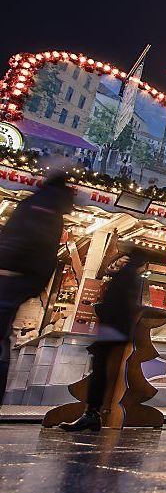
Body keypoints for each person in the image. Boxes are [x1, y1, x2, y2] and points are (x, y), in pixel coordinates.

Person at [0, 171, 73, 405]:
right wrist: (35, 284)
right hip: (24, 281)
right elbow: (45, 255)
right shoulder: (56, 212)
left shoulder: (35, 205)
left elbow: (15, 242)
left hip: (9, 276)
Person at [60, 247, 148, 431]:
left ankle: (92, 413)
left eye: (123, 258)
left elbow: (115, 305)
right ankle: (94, 413)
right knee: (102, 370)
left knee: (100, 370)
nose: (119, 262)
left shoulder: (125, 276)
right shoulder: (133, 278)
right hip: (117, 330)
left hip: (112, 330)